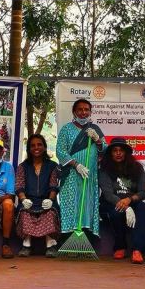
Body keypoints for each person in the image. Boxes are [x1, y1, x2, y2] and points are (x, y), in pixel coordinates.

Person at [56, 99, 105, 242]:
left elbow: (105, 150)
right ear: (74, 112)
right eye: (80, 109)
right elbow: (60, 151)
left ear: (90, 112)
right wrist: (76, 165)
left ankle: (87, 238)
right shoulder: (66, 129)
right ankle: (68, 237)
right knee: (71, 203)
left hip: (89, 175)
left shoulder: (95, 129)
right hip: (71, 174)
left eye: (86, 110)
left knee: (87, 204)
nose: (83, 112)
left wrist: (97, 140)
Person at [98, 137, 145, 264]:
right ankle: (120, 246)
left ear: (126, 152)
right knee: (117, 212)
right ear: (110, 153)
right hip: (110, 203)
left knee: (143, 209)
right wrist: (125, 206)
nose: (118, 153)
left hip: (131, 201)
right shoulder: (104, 169)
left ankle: (138, 249)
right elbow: (108, 194)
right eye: (115, 150)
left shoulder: (137, 168)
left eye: (121, 150)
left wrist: (129, 200)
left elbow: (142, 192)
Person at [15, 134, 61, 257]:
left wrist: (50, 200)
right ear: (29, 149)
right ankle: (26, 244)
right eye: (33, 145)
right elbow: (19, 186)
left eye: (39, 145)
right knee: (24, 212)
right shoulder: (23, 167)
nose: (36, 147)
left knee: (50, 212)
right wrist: (23, 200)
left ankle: (50, 244)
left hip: (46, 200)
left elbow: (54, 186)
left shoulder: (52, 166)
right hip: (29, 201)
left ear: (45, 147)